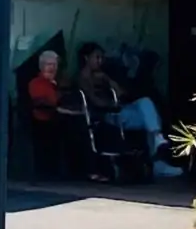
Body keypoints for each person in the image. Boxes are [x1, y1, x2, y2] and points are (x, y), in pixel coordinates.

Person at [77, 43, 183, 179]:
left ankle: (157, 141)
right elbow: (95, 102)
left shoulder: (102, 75)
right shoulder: (83, 78)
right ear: (86, 58)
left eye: (102, 58)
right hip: (107, 115)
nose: (100, 61)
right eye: (97, 57)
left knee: (146, 104)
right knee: (149, 119)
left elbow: (121, 93)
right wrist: (112, 103)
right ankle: (157, 160)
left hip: (119, 111)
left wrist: (109, 81)